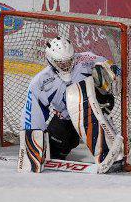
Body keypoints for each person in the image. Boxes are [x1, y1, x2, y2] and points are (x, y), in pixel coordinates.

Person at [19, 37, 123, 174]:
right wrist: (32, 147)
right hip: (66, 119)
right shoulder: (41, 81)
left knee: (90, 92)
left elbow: (107, 66)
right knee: (55, 151)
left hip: (94, 111)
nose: (66, 65)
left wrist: (114, 72)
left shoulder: (86, 59)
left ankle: (107, 148)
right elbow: (33, 114)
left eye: (69, 60)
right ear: (51, 61)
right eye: (61, 63)